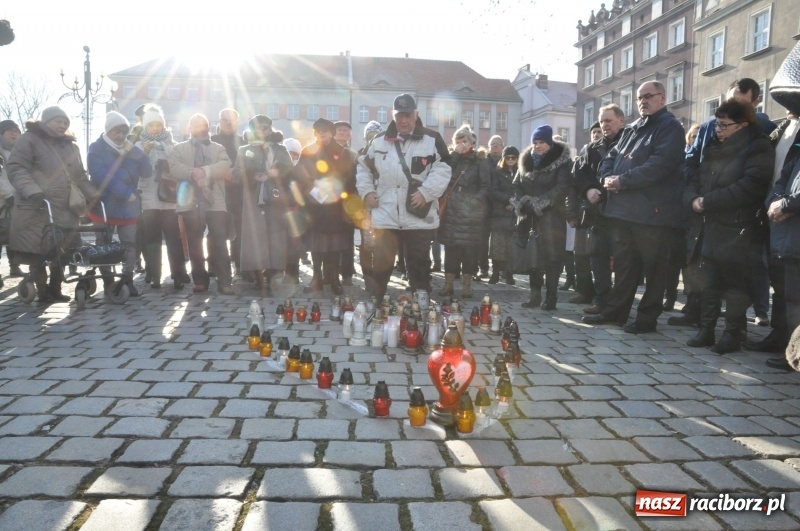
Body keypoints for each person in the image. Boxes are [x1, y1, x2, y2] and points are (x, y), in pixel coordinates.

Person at [582, 81, 685, 333]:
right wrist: (608, 178)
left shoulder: (669, 127)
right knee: (624, 266)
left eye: (648, 96)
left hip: (652, 213)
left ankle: (647, 319)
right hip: (623, 211)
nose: (642, 101)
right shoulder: (633, 128)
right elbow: (610, 157)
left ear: (662, 98)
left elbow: (660, 165)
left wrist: (623, 181)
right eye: (639, 98)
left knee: (654, 269)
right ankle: (616, 313)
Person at [683, 100, 774, 353]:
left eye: (724, 125)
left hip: (740, 228)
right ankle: (707, 330)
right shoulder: (715, 145)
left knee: (736, 286)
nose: (718, 130)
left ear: (743, 125)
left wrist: (707, 201)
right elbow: (697, 177)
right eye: (717, 124)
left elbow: (750, 186)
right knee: (709, 282)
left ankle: (732, 334)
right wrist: (692, 198)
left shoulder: (758, 146)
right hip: (711, 224)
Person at [356, 93, 451, 300]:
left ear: (416, 114)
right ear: (393, 115)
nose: (403, 120)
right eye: (399, 115)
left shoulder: (432, 139)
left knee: (419, 264)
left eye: (408, 115)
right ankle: (376, 302)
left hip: (418, 215)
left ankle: (420, 302)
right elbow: (363, 168)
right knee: (381, 263)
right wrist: (367, 192)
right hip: (386, 213)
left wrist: (426, 193)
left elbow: (444, 168)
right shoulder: (379, 141)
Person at [7, 106, 98, 303]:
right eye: (58, 121)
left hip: (66, 207)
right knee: (38, 251)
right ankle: (42, 290)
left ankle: (56, 288)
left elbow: (79, 176)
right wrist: (32, 191)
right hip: (38, 205)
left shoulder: (70, 146)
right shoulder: (29, 139)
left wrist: (94, 195)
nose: (63, 125)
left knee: (63, 250)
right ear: (45, 121)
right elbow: (16, 167)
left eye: (65, 122)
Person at [87, 111, 152, 296]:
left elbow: (147, 171)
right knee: (104, 244)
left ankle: (126, 279)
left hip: (128, 207)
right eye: (117, 131)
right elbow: (100, 176)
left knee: (129, 244)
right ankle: (108, 281)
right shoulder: (96, 148)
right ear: (108, 130)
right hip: (104, 205)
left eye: (124, 132)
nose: (121, 136)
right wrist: (125, 193)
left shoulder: (129, 149)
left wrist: (136, 151)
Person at [168, 114, 233, 295]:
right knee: (195, 242)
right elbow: (173, 167)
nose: (199, 128)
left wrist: (204, 171)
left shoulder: (218, 148)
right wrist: (192, 173)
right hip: (190, 200)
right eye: (195, 125)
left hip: (215, 200)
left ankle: (224, 281)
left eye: (203, 125)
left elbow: (225, 165)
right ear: (189, 128)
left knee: (219, 241)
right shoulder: (179, 148)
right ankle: (200, 280)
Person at [572, 107, 626, 316]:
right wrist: (588, 190)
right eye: (602, 121)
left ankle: (619, 305)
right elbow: (579, 174)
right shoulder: (591, 148)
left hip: (623, 212)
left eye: (608, 121)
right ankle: (602, 300)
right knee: (597, 257)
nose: (604, 125)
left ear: (621, 121)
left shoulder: (630, 143)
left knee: (623, 260)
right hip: (598, 212)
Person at [233, 115, 294, 296]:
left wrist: (278, 172)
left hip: (275, 198)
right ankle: (258, 277)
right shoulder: (244, 149)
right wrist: (253, 175)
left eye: (266, 127)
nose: (263, 131)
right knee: (255, 237)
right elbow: (236, 174)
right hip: (253, 199)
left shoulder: (280, 149)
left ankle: (274, 277)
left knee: (275, 237)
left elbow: (291, 171)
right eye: (259, 128)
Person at [295, 118, 356, 295]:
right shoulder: (308, 151)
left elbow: (349, 177)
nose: (322, 134)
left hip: (336, 205)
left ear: (332, 133)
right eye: (318, 131)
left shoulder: (342, 152)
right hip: (315, 206)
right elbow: (301, 175)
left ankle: (334, 278)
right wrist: (315, 192)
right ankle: (317, 279)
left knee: (335, 245)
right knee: (316, 245)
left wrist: (337, 193)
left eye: (325, 131)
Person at [514, 125, 572, 310]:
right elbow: (516, 185)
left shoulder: (561, 162)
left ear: (549, 143)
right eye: (535, 142)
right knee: (533, 258)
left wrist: (540, 202)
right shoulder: (526, 160)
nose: (538, 146)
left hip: (552, 217)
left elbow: (562, 187)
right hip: (529, 218)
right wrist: (523, 201)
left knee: (552, 258)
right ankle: (534, 296)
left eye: (542, 142)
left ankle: (551, 297)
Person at [136, 106, 188, 291]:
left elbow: (177, 165)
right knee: (152, 237)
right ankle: (154, 273)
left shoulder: (171, 144)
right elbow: (135, 169)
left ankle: (178, 274)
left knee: (173, 236)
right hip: (148, 195)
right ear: (145, 127)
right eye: (151, 125)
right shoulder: (138, 145)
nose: (155, 128)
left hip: (168, 195)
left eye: (158, 125)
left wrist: (163, 152)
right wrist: (144, 154)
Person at [438, 125, 491, 298]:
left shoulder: (480, 161)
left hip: (470, 213)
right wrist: (455, 154)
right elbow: (443, 174)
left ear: (471, 142)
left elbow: (486, 186)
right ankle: (448, 285)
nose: (462, 143)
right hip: (452, 211)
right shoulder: (451, 159)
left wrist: (475, 201)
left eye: (465, 140)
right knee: (451, 250)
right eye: (458, 140)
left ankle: (467, 287)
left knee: (469, 251)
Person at [211, 108, 245, 280]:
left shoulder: (243, 142)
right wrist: (224, 172)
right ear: (219, 121)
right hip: (217, 191)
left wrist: (236, 173)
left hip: (239, 192)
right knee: (216, 231)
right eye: (224, 119)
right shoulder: (212, 141)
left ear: (237, 122)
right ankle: (215, 265)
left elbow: (249, 163)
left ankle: (240, 265)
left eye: (231, 119)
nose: (227, 122)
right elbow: (207, 163)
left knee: (240, 230)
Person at [357, 121, 383, 295]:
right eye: (370, 136)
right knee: (366, 243)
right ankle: (368, 276)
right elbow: (357, 178)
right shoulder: (361, 154)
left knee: (382, 242)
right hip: (365, 206)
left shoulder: (387, 153)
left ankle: (380, 276)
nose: (373, 139)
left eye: (376, 136)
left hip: (384, 205)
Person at [488, 145, 519, 285]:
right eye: (508, 157)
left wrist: (514, 202)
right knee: (497, 246)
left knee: (511, 247)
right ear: (504, 158)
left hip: (515, 214)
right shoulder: (498, 172)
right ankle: (495, 273)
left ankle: (509, 274)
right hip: (500, 212)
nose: (510, 160)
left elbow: (522, 189)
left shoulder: (521, 172)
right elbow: (493, 191)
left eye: (513, 157)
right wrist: (508, 199)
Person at [0, 119, 23, 276]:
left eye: (17, 131)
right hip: (3, 201)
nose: (14, 134)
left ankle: (15, 266)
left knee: (14, 235)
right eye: (11, 131)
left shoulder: (21, 152)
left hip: (18, 200)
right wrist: (8, 194)